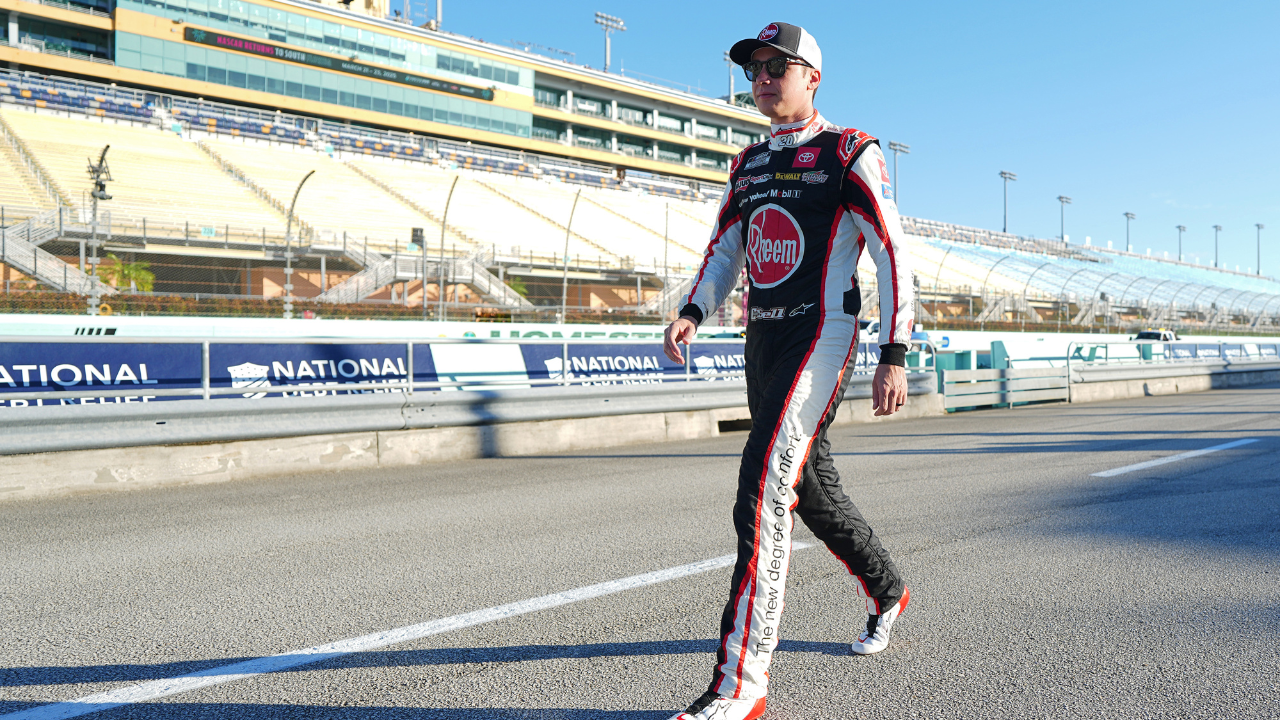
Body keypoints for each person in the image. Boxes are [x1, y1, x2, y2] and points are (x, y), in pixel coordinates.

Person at [663, 21, 914, 720]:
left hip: (822, 337)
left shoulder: (849, 152)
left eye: (780, 66)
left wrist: (894, 352)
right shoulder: (747, 164)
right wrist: (694, 309)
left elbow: (892, 254)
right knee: (812, 489)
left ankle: (740, 685)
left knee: (760, 490)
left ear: (813, 78)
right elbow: (726, 250)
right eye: (755, 70)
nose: (764, 78)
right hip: (763, 341)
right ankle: (888, 589)